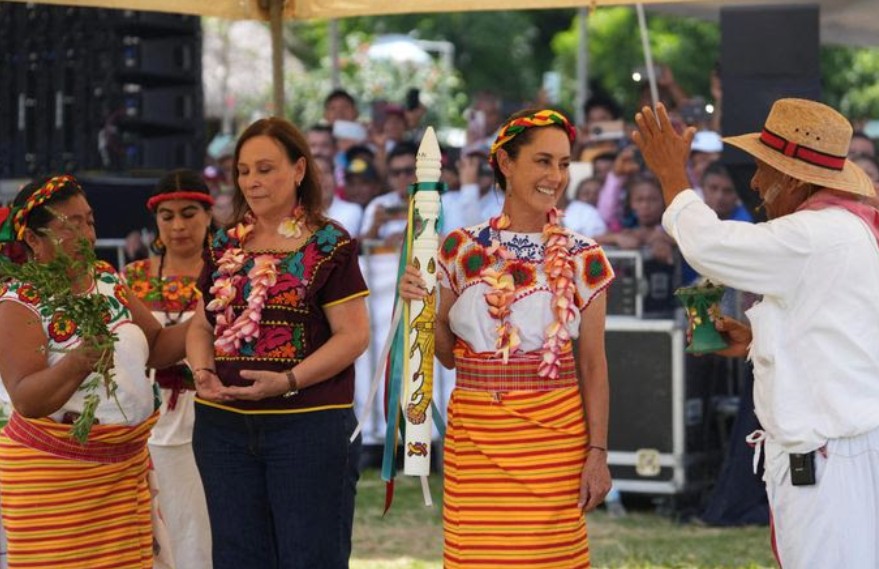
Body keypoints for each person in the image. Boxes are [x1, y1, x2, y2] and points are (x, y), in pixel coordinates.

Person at [634, 99, 879, 568]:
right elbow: (836, 335)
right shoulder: (846, 229)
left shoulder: (814, 234)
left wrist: (671, 175)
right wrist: (759, 342)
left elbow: (709, 246)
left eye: (763, 169)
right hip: (845, 450)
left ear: (794, 179)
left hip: (825, 460)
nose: (754, 183)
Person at [400, 109, 615, 567]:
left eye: (563, 163)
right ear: (504, 162)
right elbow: (448, 356)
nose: (555, 176)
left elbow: (594, 364)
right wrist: (421, 306)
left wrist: (597, 453)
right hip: (477, 438)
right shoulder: (460, 248)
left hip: (554, 441)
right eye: (542, 161)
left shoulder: (585, 256)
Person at [185, 117, 370, 569]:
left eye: (265, 169)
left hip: (306, 426)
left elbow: (354, 335)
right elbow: (200, 326)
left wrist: (287, 380)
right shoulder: (224, 243)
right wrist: (203, 372)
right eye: (244, 170)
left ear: (299, 170)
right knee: (236, 557)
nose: (252, 181)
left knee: (309, 557)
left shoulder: (329, 243)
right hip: (223, 427)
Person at [0, 174, 189, 568]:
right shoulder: (18, 302)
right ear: (33, 240)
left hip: (124, 470)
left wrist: (209, 318)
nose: (86, 233)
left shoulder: (106, 279)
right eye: (71, 225)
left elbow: (157, 347)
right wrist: (80, 360)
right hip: (58, 482)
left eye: (89, 221)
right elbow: (26, 397)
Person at [123, 168, 214, 569]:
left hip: (212, 415)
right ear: (156, 221)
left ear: (209, 215)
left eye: (189, 213)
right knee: (151, 523)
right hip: (144, 419)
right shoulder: (133, 279)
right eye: (168, 216)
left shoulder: (226, 275)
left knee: (204, 523)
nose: (178, 225)